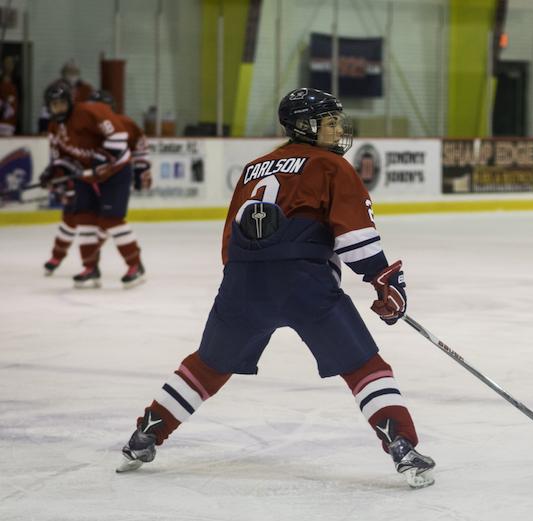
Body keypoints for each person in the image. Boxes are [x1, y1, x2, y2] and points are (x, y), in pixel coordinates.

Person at [115, 88, 436, 489]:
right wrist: (384, 280)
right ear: (304, 125)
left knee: (209, 365)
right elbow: (355, 235)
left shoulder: (253, 167)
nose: (338, 130)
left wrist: (242, 287)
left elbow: (231, 240)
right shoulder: (331, 166)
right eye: (330, 122)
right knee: (364, 366)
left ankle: (144, 436)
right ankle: (403, 447)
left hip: (243, 280)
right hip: (304, 284)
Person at [39, 80, 145, 288]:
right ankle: (90, 267)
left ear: (70, 101)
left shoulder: (91, 111)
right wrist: (53, 171)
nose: (58, 108)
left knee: (111, 220)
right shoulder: (54, 127)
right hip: (87, 176)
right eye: (54, 105)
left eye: (61, 103)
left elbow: (118, 136)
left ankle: (135, 265)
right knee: (84, 218)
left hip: (115, 171)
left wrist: (100, 159)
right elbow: (60, 156)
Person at [38, 60, 94, 133]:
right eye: (69, 71)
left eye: (74, 71)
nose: (72, 74)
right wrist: (44, 129)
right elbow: (46, 111)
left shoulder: (86, 89)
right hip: (58, 124)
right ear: (63, 72)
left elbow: (90, 110)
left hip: (79, 125)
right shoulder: (54, 86)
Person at [0, 56, 18, 136]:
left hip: (10, 123)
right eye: (6, 63)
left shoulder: (17, 82)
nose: (8, 66)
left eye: (10, 64)